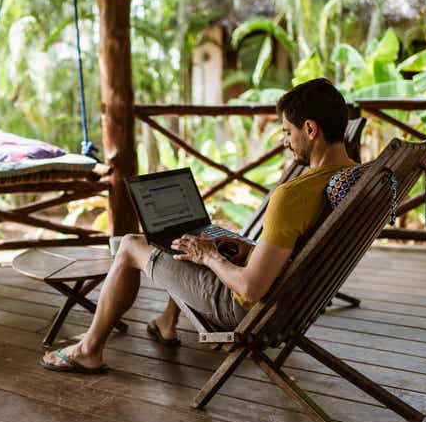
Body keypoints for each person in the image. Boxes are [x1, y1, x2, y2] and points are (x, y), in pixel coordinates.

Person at [40, 78, 356, 374]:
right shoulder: (354, 180)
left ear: (311, 129)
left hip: (244, 309)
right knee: (187, 241)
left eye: (288, 131)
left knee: (131, 245)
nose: (286, 142)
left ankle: (89, 349)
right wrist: (246, 250)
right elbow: (297, 249)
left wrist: (209, 257)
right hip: (292, 304)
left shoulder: (293, 195)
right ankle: (167, 321)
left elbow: (250, 288)